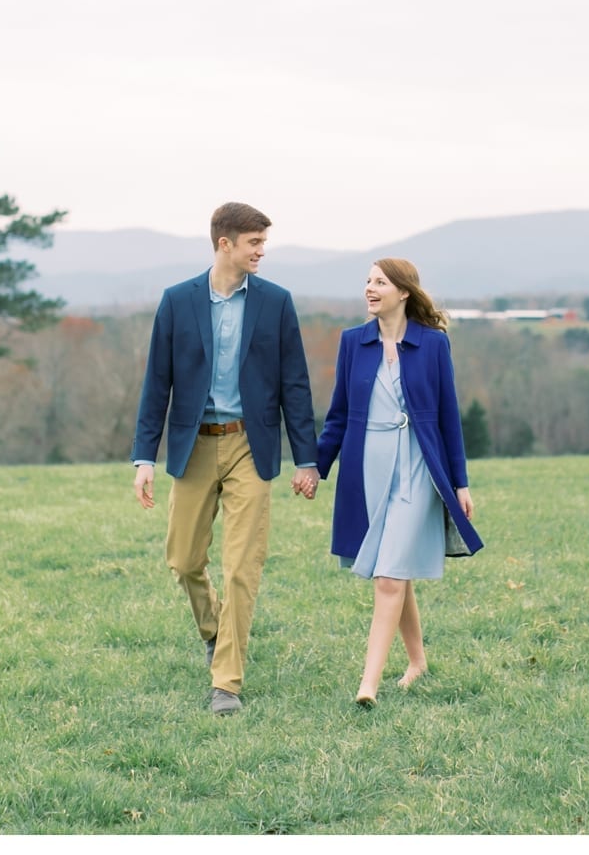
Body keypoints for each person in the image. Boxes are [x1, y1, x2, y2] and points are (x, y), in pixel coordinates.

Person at [132, 201, 320, 715]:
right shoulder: (177, 301)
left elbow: (295, 385)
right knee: (184, 559)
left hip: (249, 446)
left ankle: (227, 683)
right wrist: (143, 458)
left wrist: (308, 459)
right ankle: (216, 630)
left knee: (242, 566)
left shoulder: (276, 303)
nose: (262, 251)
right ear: (225, 244)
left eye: (264, 243)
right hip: (193, 445)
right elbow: (157, 384)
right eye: (254, 243)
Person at [315, 257, 482, 707]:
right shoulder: (353, 342)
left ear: (403, 291)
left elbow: (449, 417)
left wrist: (460, 483)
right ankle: (417, 661)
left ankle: (368, 684)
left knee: (387, 575)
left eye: (380, 283)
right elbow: (338, 414)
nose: (370, 289)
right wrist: (316, 467)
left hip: (417, 467)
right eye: (368, 281)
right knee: (395, 567)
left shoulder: (433, 344)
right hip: (367, 466)